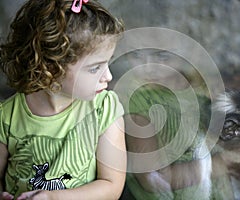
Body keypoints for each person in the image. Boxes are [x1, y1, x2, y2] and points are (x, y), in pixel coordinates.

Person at [0, 0, 126, 199]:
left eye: (107, 63)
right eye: (95, 68)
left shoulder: (104, 109)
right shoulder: (6, 116)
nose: (108, 76)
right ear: (50, 69)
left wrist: (53, 197)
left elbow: (112, 187)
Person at [111, 48, 212, 200]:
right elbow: (150, 178)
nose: (147, 67)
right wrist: (218, 166)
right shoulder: (138, 102)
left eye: (163, 57)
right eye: (137, 55)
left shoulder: (199, 92)